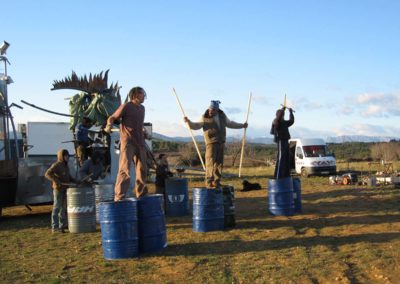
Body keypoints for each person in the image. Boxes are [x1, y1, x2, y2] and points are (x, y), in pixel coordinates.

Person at [184, 100, 248, 188]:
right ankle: (209, 182)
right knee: (210, 162)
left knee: (219, 163)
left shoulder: (222, 115)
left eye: (213, 109)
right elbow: (196, 126)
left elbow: (230, 123)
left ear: (217, 110)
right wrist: (188, 122)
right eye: (210, 109)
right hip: (211, 143)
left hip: (221, 142)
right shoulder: (204, 117)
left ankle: (216, 181)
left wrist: (242, 125)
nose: (211, 111)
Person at [105, 86, 148, 200]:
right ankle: (119, 196)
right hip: (128, 142)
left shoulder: (142, 108)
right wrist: (109, 125)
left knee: (142, 169)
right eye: (141, 94)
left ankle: (141, 195)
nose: (144, 96)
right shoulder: (127, 106)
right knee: (125, 169)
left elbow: (140, 124)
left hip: (140, 142)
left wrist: (144, 131)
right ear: (134, 95)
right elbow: (112, 117)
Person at [45, 149, 76, 233]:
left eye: (68, 156)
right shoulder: (57, 165)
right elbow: (47, 174)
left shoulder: (66, 165)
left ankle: (62, 226)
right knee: (57, 208)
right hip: (58, 190)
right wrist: (57, 181)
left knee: (63, 209)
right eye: (65, 156)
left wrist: (74, 180)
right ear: (61, 156)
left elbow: (68, 176)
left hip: (65, 189)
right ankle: (55, 227)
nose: (67, 157)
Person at [270, 107, 294, 179]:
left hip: (286, 141)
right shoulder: (276, 122)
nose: (283, 116)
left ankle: (285, 175)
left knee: (286, 158)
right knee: (281, 158)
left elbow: (291, 121)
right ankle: (279, 175)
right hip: (280, 141)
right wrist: (282, 110)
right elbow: (279, 117)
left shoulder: (284, 122)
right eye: (283, 115)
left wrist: (291, 113)